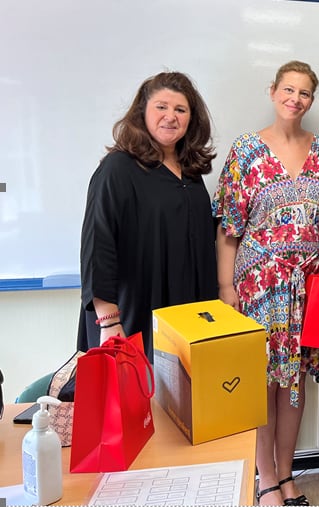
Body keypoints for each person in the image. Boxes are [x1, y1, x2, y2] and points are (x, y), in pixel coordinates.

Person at [213, 60, 319, 506]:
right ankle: (265, 478)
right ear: (273, 91)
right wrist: (227, 289)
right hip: (258, 288)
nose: (296, 99)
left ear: (311, 100)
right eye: (289, 89)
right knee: (262, 382)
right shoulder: (247, 150)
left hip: (310, 286)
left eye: (305, 93)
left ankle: (287, 473)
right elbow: (228, 228)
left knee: (295, 381)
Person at [78, 71, 218, 363]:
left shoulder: (190, 173)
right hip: (131, 314)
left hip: (184, 314)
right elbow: (98, 246)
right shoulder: (117, 169)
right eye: (161, 107)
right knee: (136, 402)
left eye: (180, 109)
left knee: (181, 405)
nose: (171, 116)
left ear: (192, 118)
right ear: (142, 112)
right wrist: (109, 321)